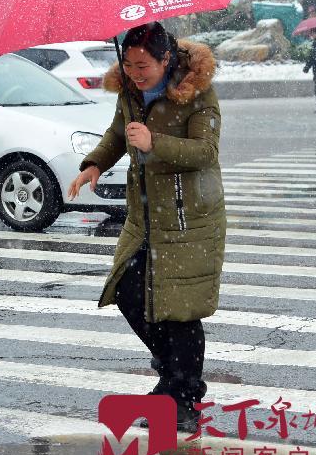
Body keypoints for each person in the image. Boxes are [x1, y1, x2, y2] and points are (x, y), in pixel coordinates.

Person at [68, 22, 225, 432]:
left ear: (166, 59)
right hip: (144, 217)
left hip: (188, 219)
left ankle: (184, 398)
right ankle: (175, 376)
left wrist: (155, 142)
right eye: (129, 65)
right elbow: (119, 133)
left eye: (144, 66)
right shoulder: (130, 93)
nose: (136, 73)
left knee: (181, 313)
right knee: (129, 293)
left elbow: (205, 153)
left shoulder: (198, 92)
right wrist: (94, 163)